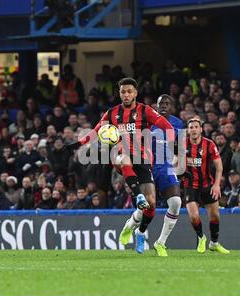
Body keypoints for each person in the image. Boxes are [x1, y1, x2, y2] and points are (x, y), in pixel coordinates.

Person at [65, 77, 175, 254]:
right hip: (121, 156)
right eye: (123, 91)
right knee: (124, 159)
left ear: (135, 93)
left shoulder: (145, 111)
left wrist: (171, 145)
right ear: (119, 93)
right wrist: (77, 144)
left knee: (152, 204)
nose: (126, 94)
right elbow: (95, 131)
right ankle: (138, 196)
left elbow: (166, 125)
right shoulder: (112, 113)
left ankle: (139, 232)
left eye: (129, 91)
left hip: (143, 159)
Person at [119, 94, 183, 257]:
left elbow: (179, 149)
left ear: (172, 106)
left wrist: (179, 165)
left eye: (167, 103)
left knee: (176, 202)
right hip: (147, 167)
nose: (164, 106)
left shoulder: (177, 124)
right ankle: (130, 226)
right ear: (156, 106)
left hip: (167, 168)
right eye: (161, 103)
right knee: (146, 207)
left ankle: (160, 242)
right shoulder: (146, 122)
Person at [181, 118, 229, 254]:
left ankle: (214, 243)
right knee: (194, 217)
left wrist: (217, 185)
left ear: (201, 129)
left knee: (214, 216)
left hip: (208, 185)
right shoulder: (182, 146)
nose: (194, 129)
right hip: (190, 185)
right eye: (191, 127)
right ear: (188, 130)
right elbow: (175, 163)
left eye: (196, 127)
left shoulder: (209, 144)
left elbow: (219, 167)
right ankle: (201, 237)